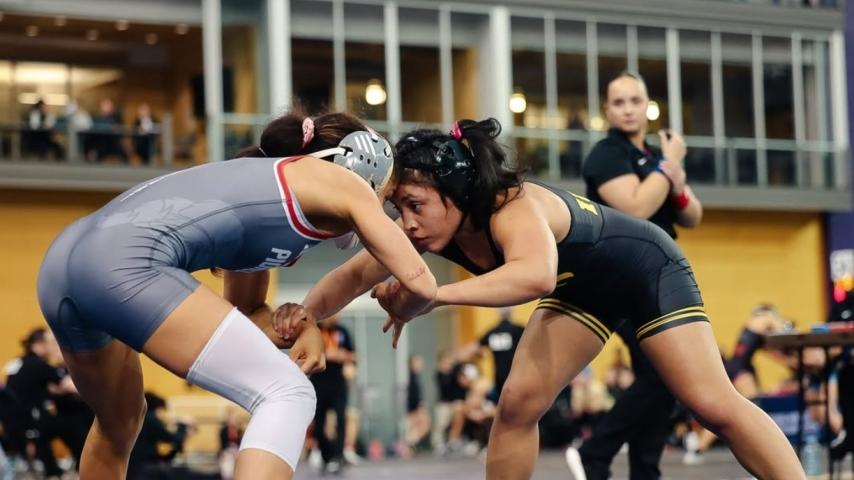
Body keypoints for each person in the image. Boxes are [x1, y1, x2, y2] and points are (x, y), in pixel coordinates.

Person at [280, 117, 806, 479]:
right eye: (400, 208)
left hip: (647, 268)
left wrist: (433, 295)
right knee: (516, 405)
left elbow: (535, 278)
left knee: (711, 403)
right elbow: (355, 274)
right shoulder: (428, 228)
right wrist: (305, 314)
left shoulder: (512, 205)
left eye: (416, 205)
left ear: (456, 192)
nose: (408, 222)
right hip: (583, 291)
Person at [36, 110, 438, 480]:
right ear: (363, 166)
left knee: (120, 420)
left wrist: (303, 325)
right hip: (123, 262)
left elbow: (248, 313)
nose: (394, 215)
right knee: (287, 392)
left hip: (64, 264)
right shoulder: (342, 181)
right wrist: (405, 303)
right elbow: (420, 283)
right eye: (389, 200)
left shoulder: (268, 194)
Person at [568, 70, 703, 480]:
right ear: (607, 110)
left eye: (635, 101)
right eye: (619, 102)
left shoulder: (653, 156)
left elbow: (693, 215)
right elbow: (637, 207)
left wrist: (675, 181)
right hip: (619, 279)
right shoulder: (606, 155)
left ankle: (643, 471)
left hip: (658, 277)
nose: (627, 109)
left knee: (663, 377)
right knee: (663, 375)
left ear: (648, 106)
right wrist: (670, 165)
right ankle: (595, 452)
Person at [2, 328, 78, 477]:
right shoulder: (38, 365)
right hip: (30, 423)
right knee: (73, 425)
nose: (52, 348)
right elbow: (69, 385)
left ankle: (51, 467)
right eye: (50, 343)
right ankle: (80, 461)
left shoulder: (17, 362)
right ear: (40, 344)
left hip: (13, 424)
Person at [309, 314, 355, 474]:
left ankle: (337, 456)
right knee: (318, 422)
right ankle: (326, 455)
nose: (336, 316)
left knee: (340, 418)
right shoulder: (314, 331)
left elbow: (354, 356)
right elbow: (308, 354)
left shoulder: (343, 331)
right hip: (319, 382)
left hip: (338, 382)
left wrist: (340, 355)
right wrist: (326, 354)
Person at [458, 308, 525, 403]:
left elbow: (472, 349)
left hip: (499, 377)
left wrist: (478, 355)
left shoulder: (492, 332)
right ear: (512, 313)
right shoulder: (518, 330)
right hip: (515, 376)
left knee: (501, 403)